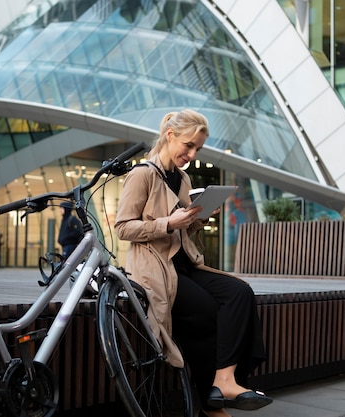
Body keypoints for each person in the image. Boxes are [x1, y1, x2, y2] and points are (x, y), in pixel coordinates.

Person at [114, 109, 272, 417]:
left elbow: (182, 227)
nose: (192, 153)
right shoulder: (143, 174)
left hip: (185, 264)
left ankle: (224, 381)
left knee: (240, 293)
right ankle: (209, 403)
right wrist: (168, 223)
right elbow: (123, 227)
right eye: (188, 145)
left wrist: (196, 218)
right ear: (170, 136)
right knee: (207, 311)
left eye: (197, 148)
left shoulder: (182, 177)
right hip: (155, 268)